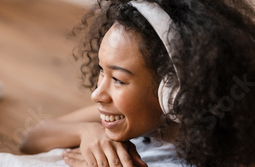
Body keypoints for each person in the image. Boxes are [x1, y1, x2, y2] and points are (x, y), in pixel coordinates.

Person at [20, 0, 255, 166]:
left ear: (173, 92)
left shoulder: (228, 155)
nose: (97, 94)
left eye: (118, 80)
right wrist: (86, 132)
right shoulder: (125, 117)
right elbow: (30, 139)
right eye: (102, 70)